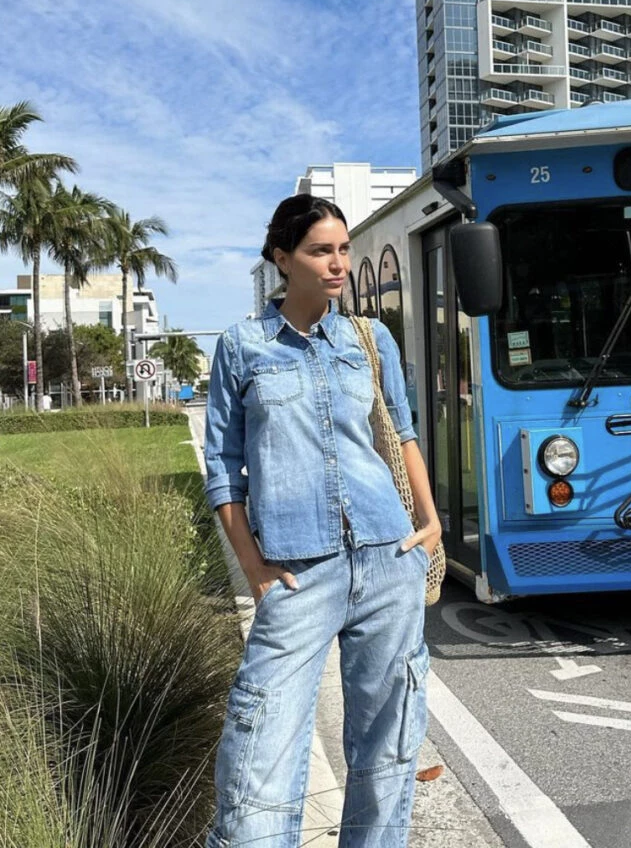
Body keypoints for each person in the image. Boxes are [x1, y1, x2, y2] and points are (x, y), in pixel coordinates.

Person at [203, 194, 442, 848]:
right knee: (259, 763)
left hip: (387, 558)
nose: (338, 264)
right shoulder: (242, 348)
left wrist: (430, 522)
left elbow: (404, 430)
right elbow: (222, 463)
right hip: (298, 572)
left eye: (342, 250)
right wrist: (251, 564)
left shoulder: (369, 338)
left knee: (388, 749)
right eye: (320, 251)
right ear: (283, 259)